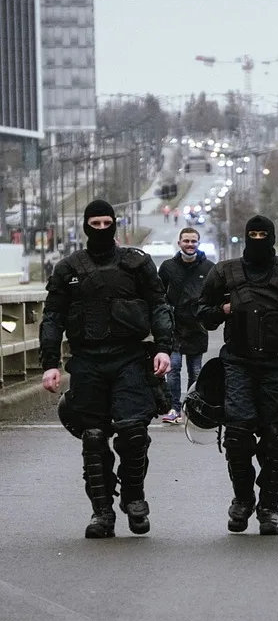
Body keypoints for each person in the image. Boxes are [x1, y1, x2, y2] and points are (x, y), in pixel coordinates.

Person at [39, 199, 174, 539]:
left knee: (133, 433)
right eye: (95, 224)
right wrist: (50, 364)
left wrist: (163, 348)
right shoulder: (67, 269)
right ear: (86, 226)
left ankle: (133, 496)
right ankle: (102, 512)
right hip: (87, 360)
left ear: (116, 224)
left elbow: (159, 304)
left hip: (130, 358)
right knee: (94, 437)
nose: (101, 229)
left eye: (106, 223)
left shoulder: (137, 264)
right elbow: (52, 317)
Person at [197, 215, 278, 535]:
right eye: (252, 234)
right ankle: (242, 498)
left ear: (273, 237)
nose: (258, 239)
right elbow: (202, 313)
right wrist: (222, 310)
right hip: (238, 362)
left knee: (276, 437)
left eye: (263, 234)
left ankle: (269, 505)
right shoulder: (226, 271)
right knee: (237, 433)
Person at [158, 227, 214, 424]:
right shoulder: (167, 267)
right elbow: (158, 295)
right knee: (173, 368)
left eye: (193, 241)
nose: (190, 245)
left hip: (197, 327)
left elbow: (214, 295)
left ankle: (191, 407)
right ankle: (174, 408)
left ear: (198, 243)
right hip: (174, 327)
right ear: (179, 243)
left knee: (196, 371)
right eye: (186, 241)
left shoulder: (209, 268)